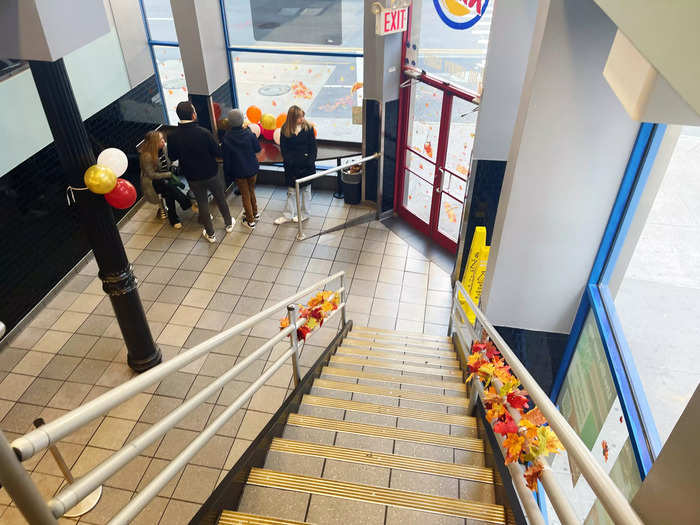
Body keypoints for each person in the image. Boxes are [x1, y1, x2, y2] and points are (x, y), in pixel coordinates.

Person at [167, 101, 234, 243]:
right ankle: (228, 223)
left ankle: (210, 234)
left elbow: (172, 157)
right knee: (220, 198)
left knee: (202, 203)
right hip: (211, 172)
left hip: (192, 176)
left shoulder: (172, 136)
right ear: (193, 114)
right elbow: (217, 152)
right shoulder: (203, 132)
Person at [139, 130, 191, 229]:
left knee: (169, 191)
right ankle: (186, 203)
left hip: (165, 178)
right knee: (167, 186)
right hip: (153, 182)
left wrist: (171, 169)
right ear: (153, 143)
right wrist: (168, 174)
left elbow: (169, 162)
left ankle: (174, 218)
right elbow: (151, 175)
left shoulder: (164, 148)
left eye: (163, 138)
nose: (163, 141)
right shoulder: (147, 156)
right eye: (160, 140)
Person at [274, 105, 317, 225]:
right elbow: (284, 150)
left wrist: (310, 161)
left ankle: (305, 214)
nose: (302, 119)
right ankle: (287, 215)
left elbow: (313, 147)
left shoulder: (308, 128)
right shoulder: (285, 129)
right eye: (299, 117)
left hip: (307, 166)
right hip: (291, 168)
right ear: (292, 118)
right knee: (291, 192)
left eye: (303, 116)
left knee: (306, 192)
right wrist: (291, 163)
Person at [222, 109, 261, 229]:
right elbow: (257, 149)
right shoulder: (249, 134)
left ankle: (250, 220)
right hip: (253, 169)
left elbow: (226, 159)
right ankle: (255, 213)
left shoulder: (227, 138)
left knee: (245, 195)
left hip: (239, 172)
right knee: (251, 191)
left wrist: (227, 173)